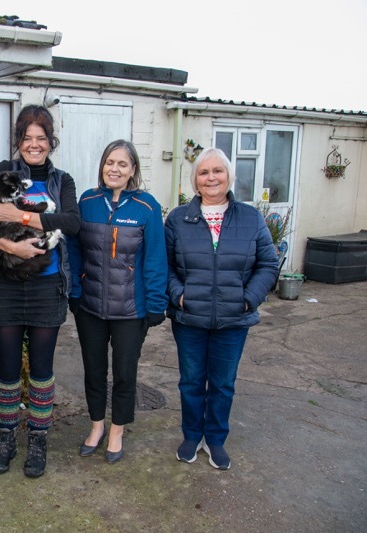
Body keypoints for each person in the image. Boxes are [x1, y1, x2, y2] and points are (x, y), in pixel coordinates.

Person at [0, 105, 80, 478]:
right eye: (27, 138)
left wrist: (20, 217)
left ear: (51, 143)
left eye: (41, 138)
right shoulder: (4, 172)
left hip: (48, 287)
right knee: (9, 370)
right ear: (19, 142)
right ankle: (5, 438)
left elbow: (71, 222)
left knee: (43, 370)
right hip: (8, 287)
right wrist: (9, 246)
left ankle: (38, 440)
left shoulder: (61, 181)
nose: (34, 145)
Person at [165, 147, 279, 470]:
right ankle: (191, 435)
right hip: (190, 319)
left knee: (223, 383)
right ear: (195, 181)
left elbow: (269, 264)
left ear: (229, 177)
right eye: (204, 172)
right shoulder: (178, 219)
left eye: (218, 171)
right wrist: (180, 296)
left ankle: (214, 439)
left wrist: (248, 299)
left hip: (233, 320)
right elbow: (166, 266)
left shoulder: (251, 218)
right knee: (190, 381)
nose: (211, 177)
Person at [66, 140, 168, 464]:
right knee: (94, 371)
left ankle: (117, 430)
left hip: (131, 311)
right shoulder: (87, 202)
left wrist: (155, 303)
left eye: (123, 164)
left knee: (124, 373)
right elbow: (73, 251)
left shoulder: (147, 208)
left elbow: (155, 260)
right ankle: (97, 426)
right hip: (91, 308)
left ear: (133, 170)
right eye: (110, 162)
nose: (115, 169)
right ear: (102, 166)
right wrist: (75, 292)